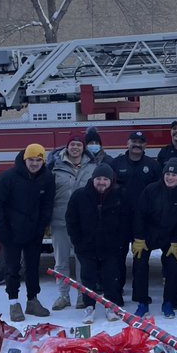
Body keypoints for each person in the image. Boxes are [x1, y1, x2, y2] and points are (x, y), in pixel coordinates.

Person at [0, 144, 55, 322]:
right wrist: (3, 229)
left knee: (33, 268)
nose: (34, 163)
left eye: (38, 160)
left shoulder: (47, 178)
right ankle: (14, 303)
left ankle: (32, 301)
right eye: (31, 160)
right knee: (13, 268)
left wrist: (41, 226)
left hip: (34, 232)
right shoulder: (8, 178)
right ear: (25, 159)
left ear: (43, 161)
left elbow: (47, 205)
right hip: (11, 232)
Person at [65, 162, 130, 322]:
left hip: (111, 248)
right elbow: (71, 221)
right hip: (86, 247)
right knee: (88, 278)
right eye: (99, 178)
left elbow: (126, 222)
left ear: (111, 180)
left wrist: (120, 243)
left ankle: (111, 307)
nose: (102, 182)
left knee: (111, 277)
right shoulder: (80, 196)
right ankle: (89, 307)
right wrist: (77, 242)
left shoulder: (120, 196)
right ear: (93, 179)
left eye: (105, 179)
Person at [133, 156, 177, 319]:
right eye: (167, 174)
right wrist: (139, 238)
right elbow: (140, 214)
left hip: (171, 236)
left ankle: (168, 302)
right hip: (148, 234)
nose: (170, 177)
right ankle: (142, 302)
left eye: (174, 175)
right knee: (139, 263)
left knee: (173, 265)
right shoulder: (150, 190)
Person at [111, 130, 162, 310]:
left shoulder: (152, 165)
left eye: (140, 142)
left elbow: (159, 193)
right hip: (120, 220)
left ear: (145, 145)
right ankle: (116, 293)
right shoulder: (116, 163)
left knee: (141, 259)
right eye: (134, 141)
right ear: (127, 143)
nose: (137, 145)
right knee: (117, 258)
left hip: (144, 222)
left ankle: (140, 294)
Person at [48, 132, 97, 310]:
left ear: (83, 147)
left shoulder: (92, 166)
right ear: (67, 146)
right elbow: (47, 193)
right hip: (59, 220)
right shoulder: (54, 165)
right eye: (72, 144)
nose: (75, 147)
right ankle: (63, 296)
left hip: (83, 223)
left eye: (78, 144)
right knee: (61, 261)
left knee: (81, 260)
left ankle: (81, 295)